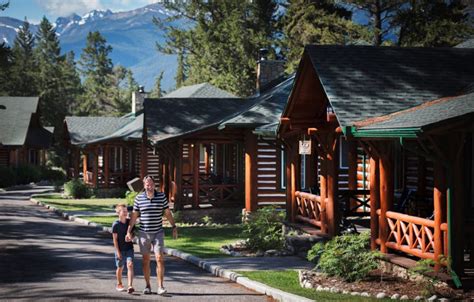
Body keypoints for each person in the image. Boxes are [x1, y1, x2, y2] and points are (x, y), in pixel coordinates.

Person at [126, 175, 178, 295]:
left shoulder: (161, 197)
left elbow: (167, 213)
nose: (149, 186)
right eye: (147, 184)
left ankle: (160, 286)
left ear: (154, 185)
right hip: (144, 233)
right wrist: (129, 231)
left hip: (158, 232)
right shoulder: (139, 199)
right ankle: (148, 285)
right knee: (146, 260)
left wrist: (174, 226)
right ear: (144, 186)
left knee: (159, 258)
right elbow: (134, 216)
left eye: (151, 184)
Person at [112, 203, 135, 294]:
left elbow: (133, 233)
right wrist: (118, 252)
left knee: (130, 264)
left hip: (129, 248)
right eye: (123, 211)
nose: (126, 213)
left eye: (126, 211)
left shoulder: (129, 222)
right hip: (120, 249)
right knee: (120, 267)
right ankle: (119, 283)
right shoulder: (115, 224)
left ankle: (130, 286)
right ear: (118, 212)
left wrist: (131, 237)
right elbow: (115, 240)